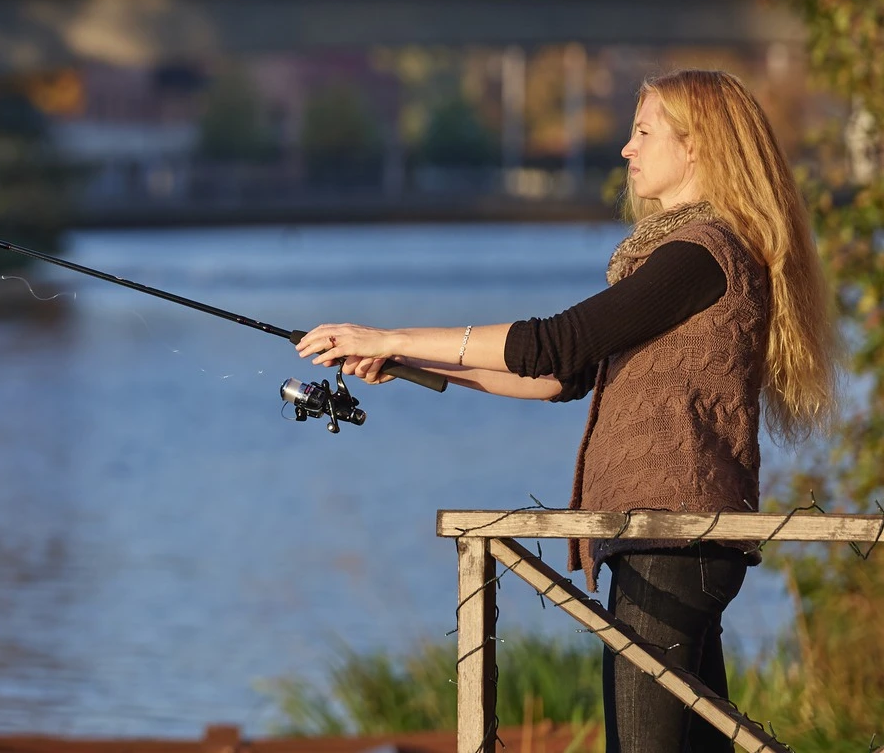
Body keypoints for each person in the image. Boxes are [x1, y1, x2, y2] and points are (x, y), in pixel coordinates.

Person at [294, 70, 836, 753]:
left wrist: (391, 336)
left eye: (642, 132)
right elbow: (559, 375)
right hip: (661, 543)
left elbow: (555, 340)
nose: (626, 150)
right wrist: (412, 365)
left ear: (696, 146)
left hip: (669, 542)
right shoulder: (684, 256)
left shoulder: (702, 255)